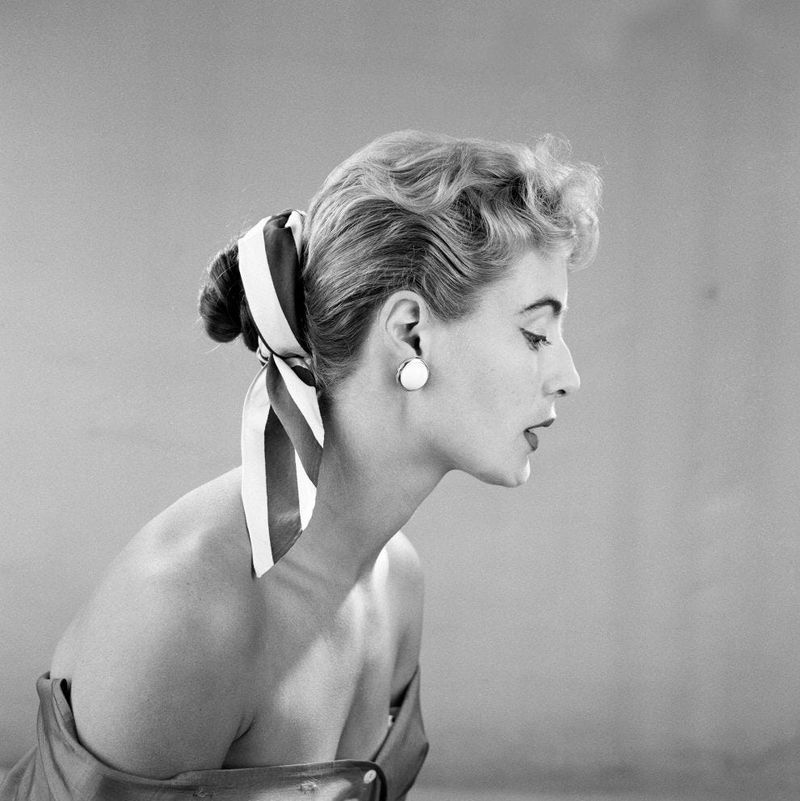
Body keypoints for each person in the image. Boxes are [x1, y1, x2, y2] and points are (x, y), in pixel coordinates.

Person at [1, 130, 600, 801]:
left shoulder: (397, 583)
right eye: (536, 334)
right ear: (410, 332)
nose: (568, 375)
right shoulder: (187, 609)